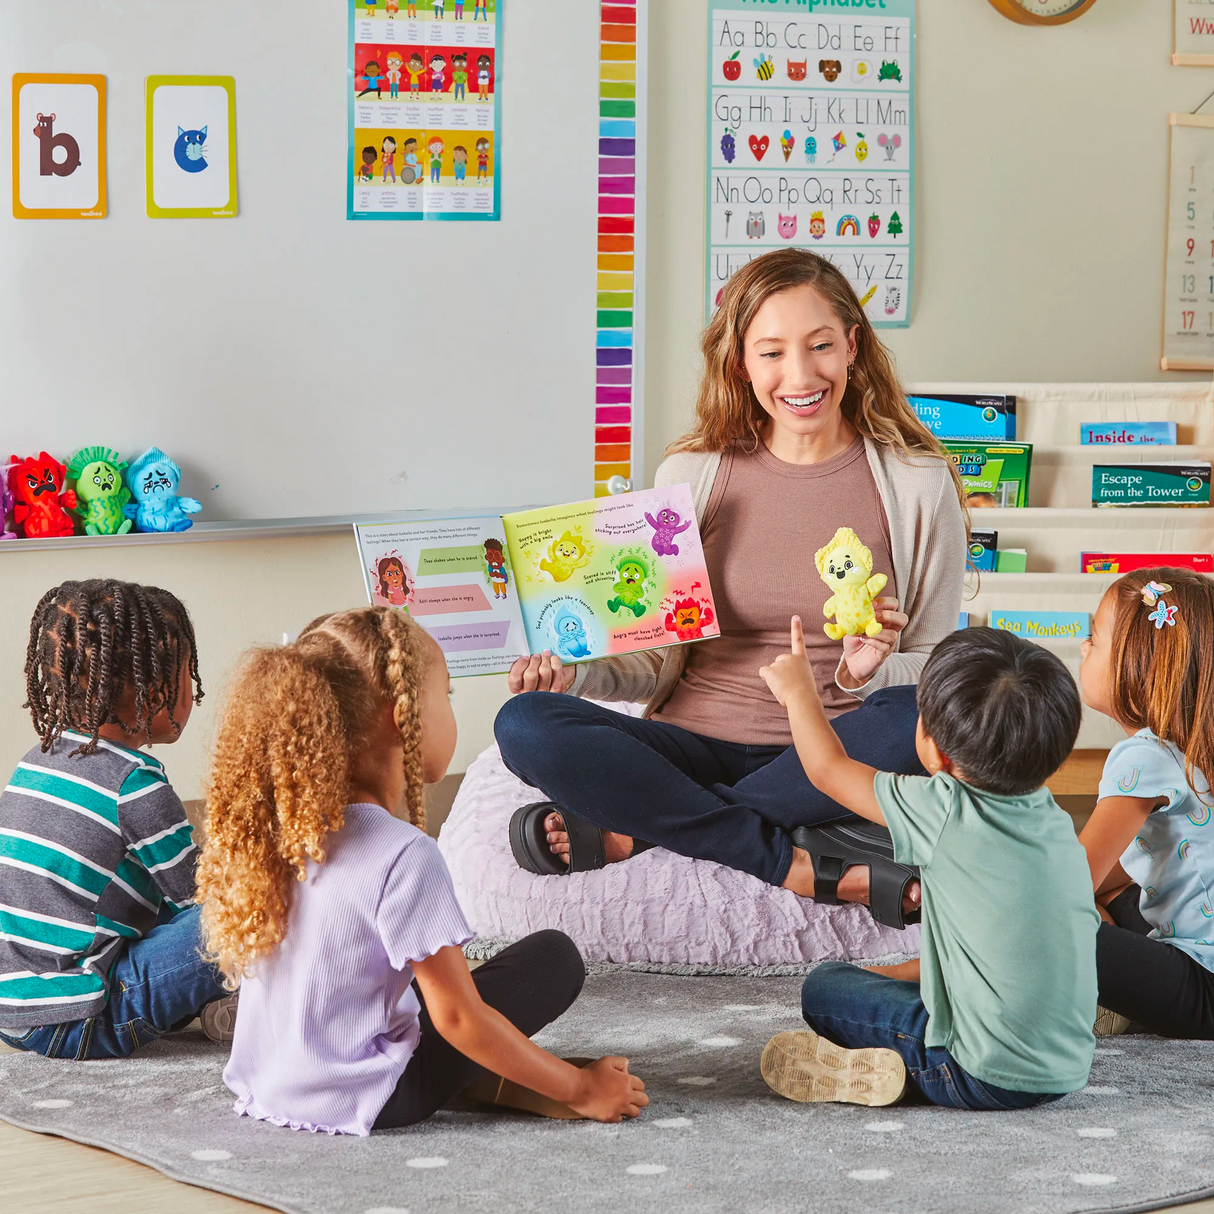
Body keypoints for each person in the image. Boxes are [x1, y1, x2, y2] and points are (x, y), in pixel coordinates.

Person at [496, 248, 968, 929]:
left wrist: (869, 670)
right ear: (740, 363)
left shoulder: (918, 484)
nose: (800, 376)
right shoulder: (690, 476)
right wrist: (570, 677)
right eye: (772, 353)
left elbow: (938, 671)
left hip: (831, 749)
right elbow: (652, 661)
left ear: (853, 347)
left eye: (821, 346)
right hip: (692, 737)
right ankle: (794, 861)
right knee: (524, 725)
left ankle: (644, 829)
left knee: (915, 717)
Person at [199, 607, 647, 1135]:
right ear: (401, 716)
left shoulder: (282, 827)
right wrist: (582, 1090)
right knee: (553, 959)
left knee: (416, 976)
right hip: (375, 1096)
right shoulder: (403, 853)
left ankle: (490, 1077)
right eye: (447, 695)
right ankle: (498, 1080)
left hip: (270, 1085)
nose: (451, 710)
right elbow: (457, 1020)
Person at [757, 622, 1098, 1110]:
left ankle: (906, 1074)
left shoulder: (943, 809)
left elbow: (828, 770)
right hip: (1065, 1070)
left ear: (934, 749)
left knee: (825, 986)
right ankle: (902, 1060)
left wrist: (798, 693)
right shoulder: (1054, 820)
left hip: (975, 1072)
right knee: (883, 978)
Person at [0, 580, 233, 1059]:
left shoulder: (36, 759)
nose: (193, 689)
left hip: (14, 1007)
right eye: (187, 673)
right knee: (246, 913)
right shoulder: (135, 783)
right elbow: (201, 893)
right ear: (152, 688)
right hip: (81, 1017)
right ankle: (250, 999)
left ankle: (227, 1000)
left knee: (161, 904)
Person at [1077, 568, 1214, 1039]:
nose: (1083, 648)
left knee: (1045, 926)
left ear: (1136, 665)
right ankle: (1115, 992)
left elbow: (1059, 893)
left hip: (1205, 982)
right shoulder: (1192, 744)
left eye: (1093, 639)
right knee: (1109, 892)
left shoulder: (1144, 756)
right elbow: (1104, 880)